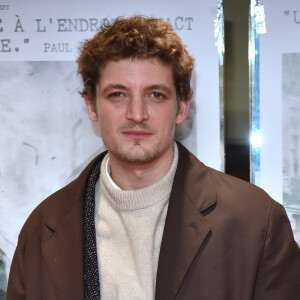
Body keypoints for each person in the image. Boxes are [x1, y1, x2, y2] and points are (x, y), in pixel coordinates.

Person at [7, 15, 300, 300]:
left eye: (156, 95)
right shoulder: (41, 229)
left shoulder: (257, 223)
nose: (137, 114)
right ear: (91, 105)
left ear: (182, 106)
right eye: (118, 94)